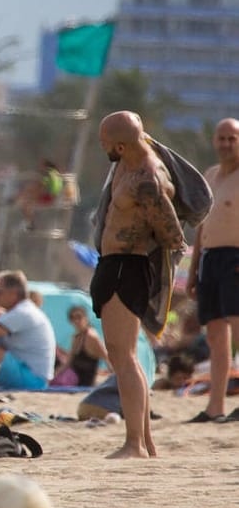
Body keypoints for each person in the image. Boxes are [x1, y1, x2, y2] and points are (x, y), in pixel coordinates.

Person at [90, 111, 189, 458]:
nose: (102, 147)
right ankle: (144, 441)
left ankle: (134, 443)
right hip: (113, 265)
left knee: (125, 355)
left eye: (104, 142)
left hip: (127, 268)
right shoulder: (125, 162)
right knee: (121, 356)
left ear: (119, 144)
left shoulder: (147, 178)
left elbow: (173, 235)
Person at [188, 117, 239, 422]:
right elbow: (201, 227)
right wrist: (193, 269)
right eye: (221, 138)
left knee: (238, 331)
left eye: (232, 138)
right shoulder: (210, 175)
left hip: (236, 258)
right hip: (210, 259)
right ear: (214, 141)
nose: (226, 144)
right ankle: (215, 406)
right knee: (215, 337)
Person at [55, 305, 106, 388]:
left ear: (86, 318)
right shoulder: (76, 337)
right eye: (72, 318)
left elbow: (107, 358)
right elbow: (69, 361)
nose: (76, 321)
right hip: (73, 376)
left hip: (83, 380)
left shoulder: (91, 336)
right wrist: (55, 374)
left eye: (79, 317)